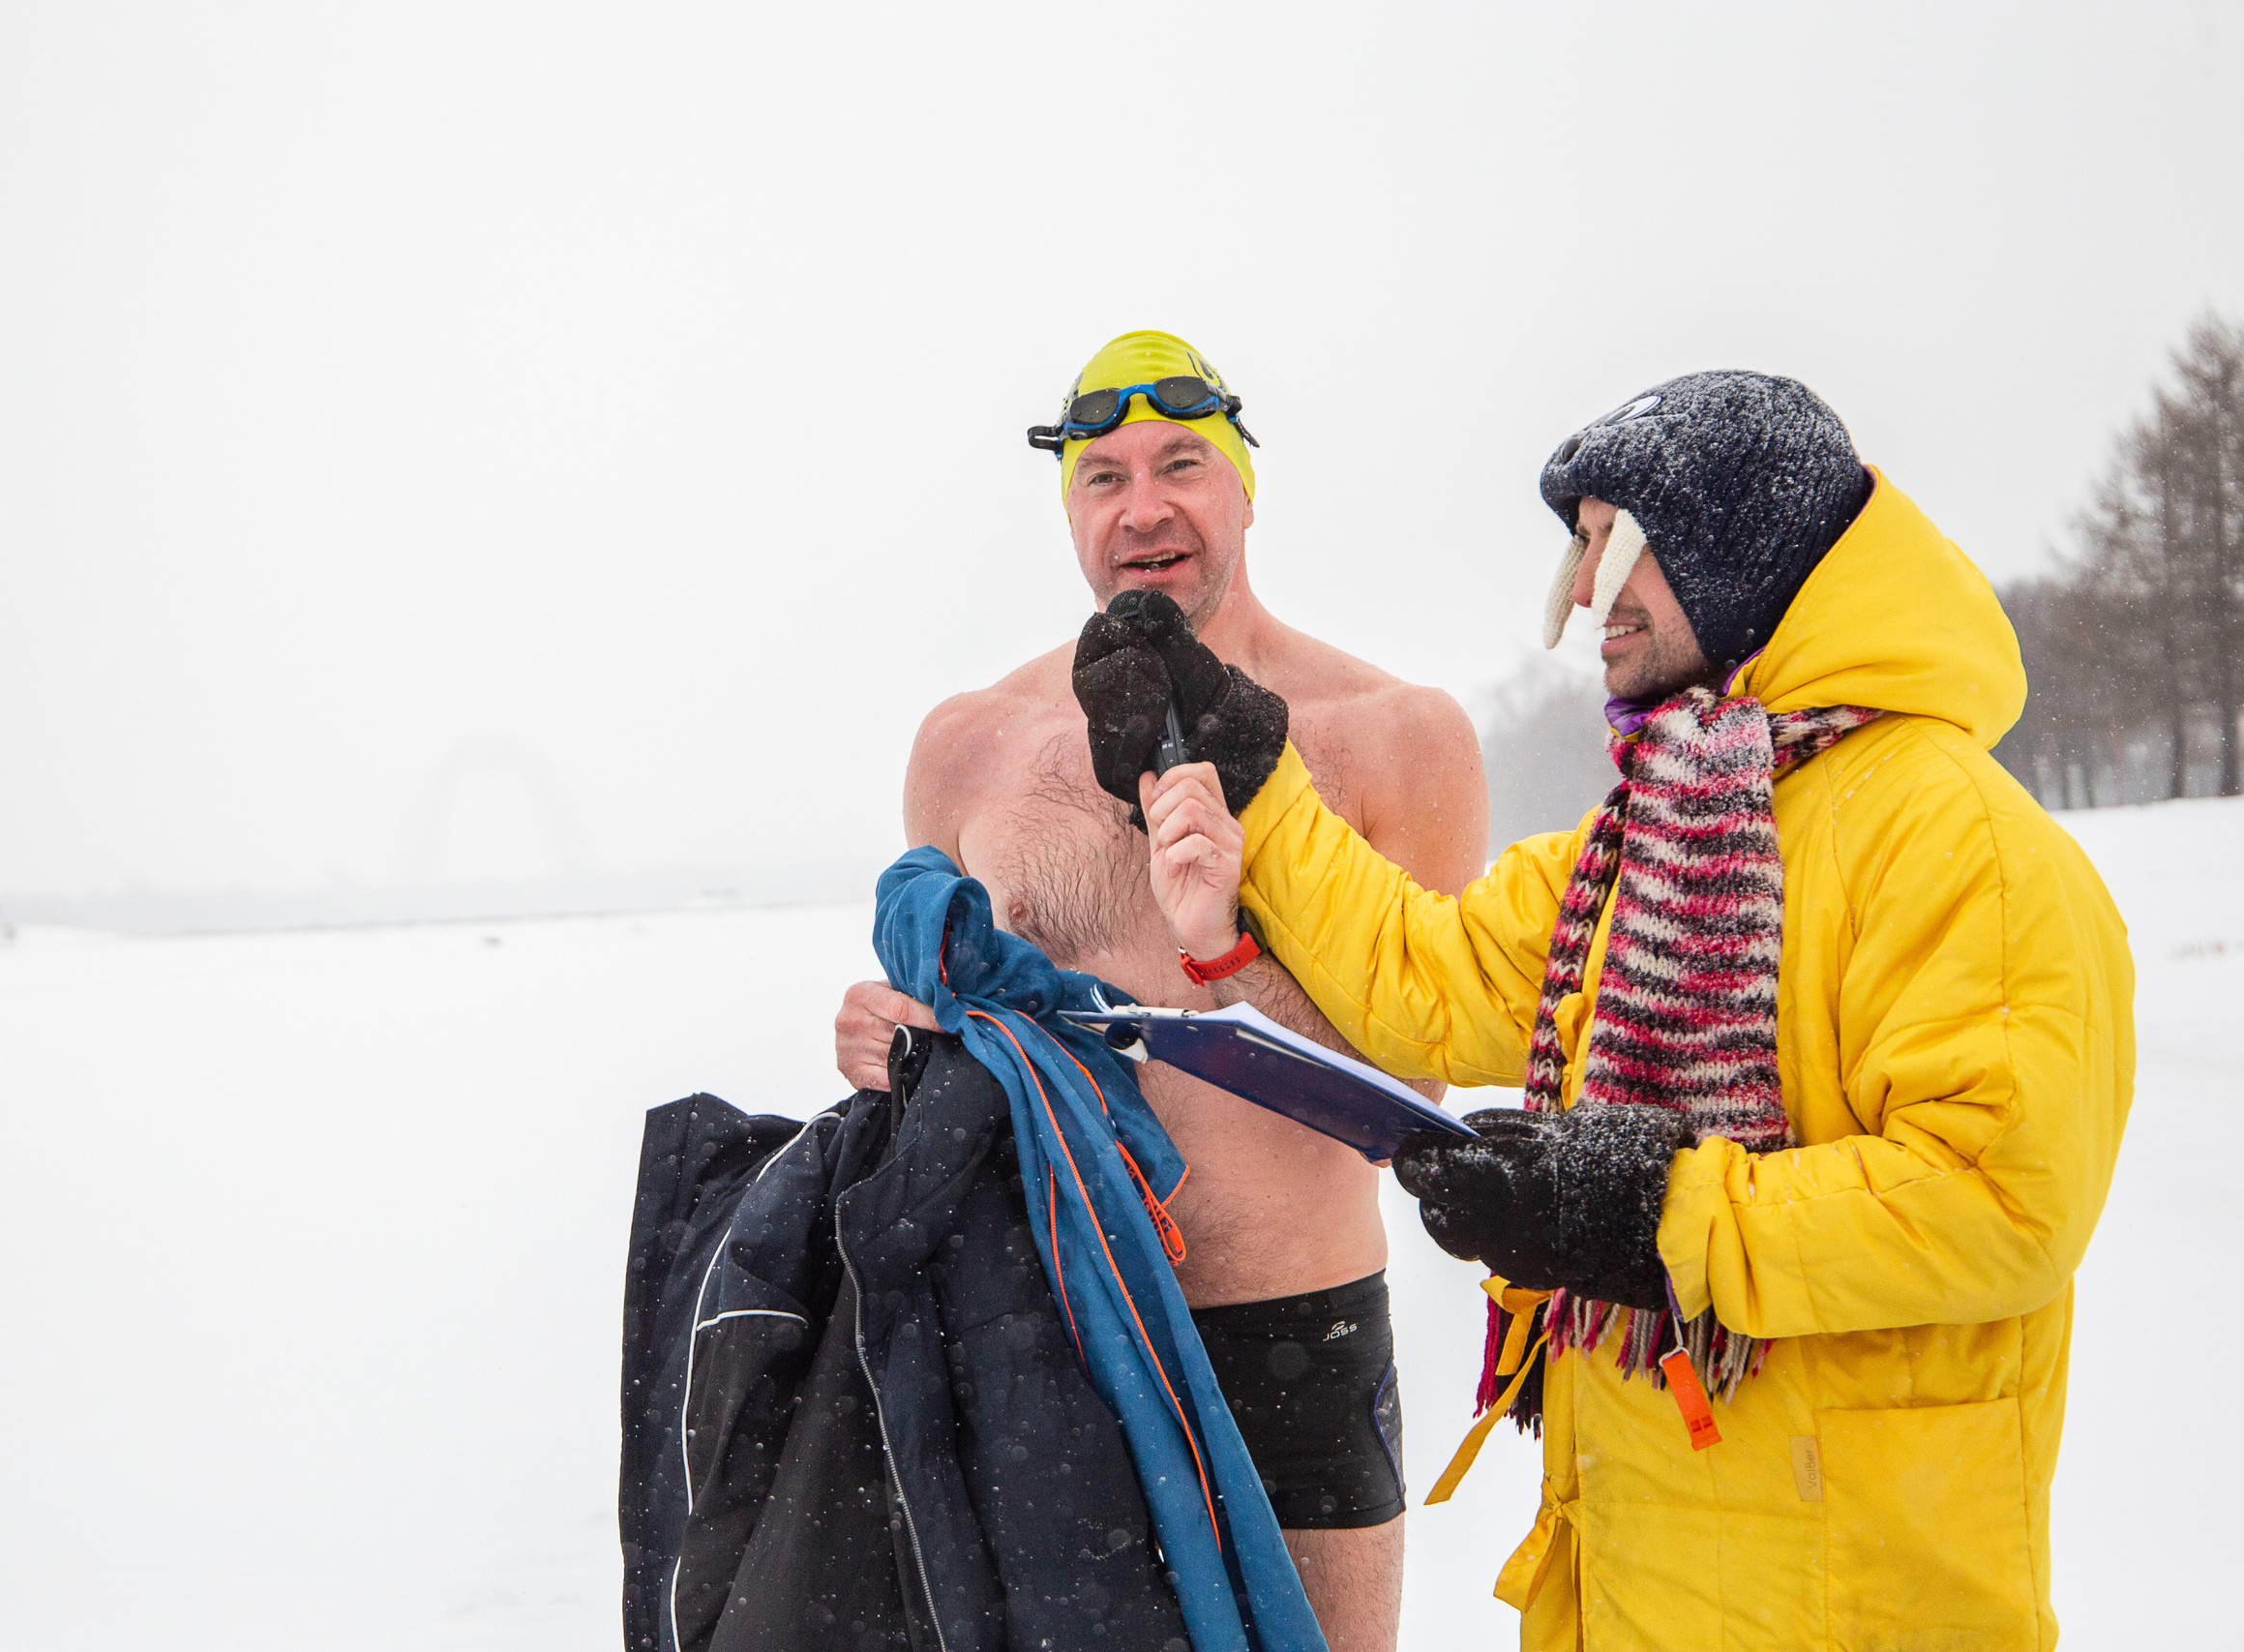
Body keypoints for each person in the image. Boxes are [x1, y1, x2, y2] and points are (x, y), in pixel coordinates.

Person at [1107, 371, 2134, 1650]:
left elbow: (2003, 1198)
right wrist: (1254, 773)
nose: (1586, 593)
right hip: (1639, 1575)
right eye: (1578, 551)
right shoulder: (1640, 844)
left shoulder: (1959, 844)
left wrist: (1655, 1212)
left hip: (1859, 1600)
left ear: (1725, 549)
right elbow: (1433, 979)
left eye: (1610, 546)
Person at [833, 329, 1488, 1650]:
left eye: (1183, 464)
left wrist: (1227, 953)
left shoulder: (1389, 733)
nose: (1145, 508)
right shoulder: (970, 749)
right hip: (1042, 1334)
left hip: (1292, 1341)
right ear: (1068, 511)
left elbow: (1413, 1097)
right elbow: (968, 1022)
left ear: (1247, 489)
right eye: (1104, 476)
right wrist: (891, 1043)